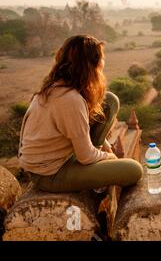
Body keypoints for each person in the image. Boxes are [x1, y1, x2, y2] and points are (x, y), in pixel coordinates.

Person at [17, 35, 143, 193]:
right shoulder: (70, 100)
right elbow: (85, 156)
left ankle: (97, 160)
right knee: (133, 170)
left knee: (109, 101)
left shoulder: (58, 86)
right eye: (101, 59)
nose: (103, 64)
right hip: (50, 173)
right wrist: (110, 158)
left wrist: (106, 149)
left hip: (59, 157)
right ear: (91, 64)